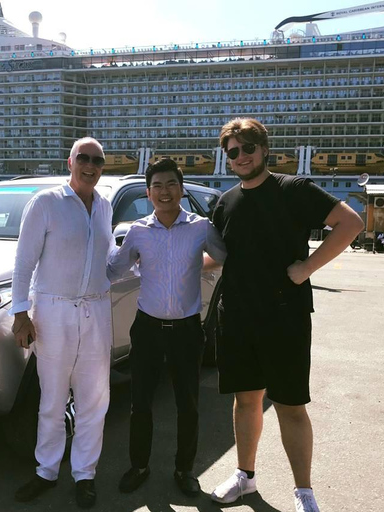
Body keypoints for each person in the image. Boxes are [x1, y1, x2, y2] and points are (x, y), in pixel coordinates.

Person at [209, 118, 363, 512]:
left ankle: (304, 492)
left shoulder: (293, 189)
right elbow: (219, 256)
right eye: (233, 152)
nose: (240, 157)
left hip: (284, 315)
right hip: (238, 316)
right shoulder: (225, 203)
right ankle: (245, 477)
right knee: (246, 401)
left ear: (263, 150)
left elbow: (350, 223)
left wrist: (306, 268)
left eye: (247, 148)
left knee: (291, 406)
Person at [107, 158, 227, 497]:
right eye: (157, 185)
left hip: (187, 329)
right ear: (148, 192)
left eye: (170, 184)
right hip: (147, 329)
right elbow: (114, 269)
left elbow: (222, 255)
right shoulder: (137, 231)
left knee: (187, 404)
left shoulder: (200, 227)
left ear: (181, 188)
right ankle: (139, 466)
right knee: (140, 402)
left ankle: (184, 469)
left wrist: (196, 264)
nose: (164, 191)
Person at [11, 137, 113, 509]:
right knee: (52, 399)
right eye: (83, 158)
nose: (90, 165)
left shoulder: (104, 206)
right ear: (70, 161)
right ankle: (46, 471)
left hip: (96, 312)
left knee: (94, 400)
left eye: (97, 160)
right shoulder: (46, 203)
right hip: (53, 312)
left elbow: (105, 259)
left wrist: (137, 253)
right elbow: (24, 263)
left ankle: (85, 474)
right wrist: (20, 314)